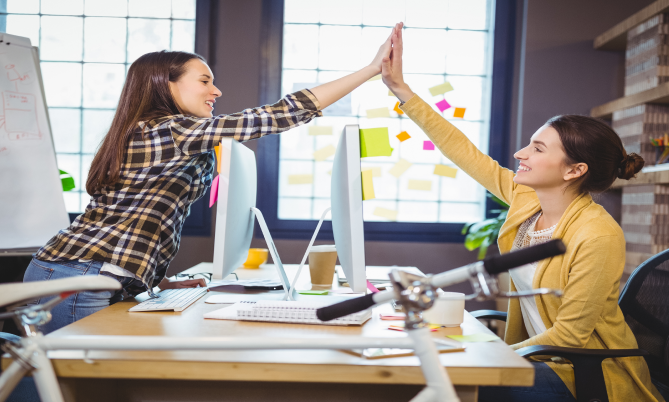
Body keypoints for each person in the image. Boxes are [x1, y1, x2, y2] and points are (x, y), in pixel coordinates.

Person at [23, 24, 405, 335]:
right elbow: (271, 117)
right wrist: (371, 70)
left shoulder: (173, 136)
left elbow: (140, 225)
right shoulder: (168, 130)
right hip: (79, 273)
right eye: (204, 81)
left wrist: (158, 282)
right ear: (165, 84)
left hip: (95, 272)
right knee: (72, 398)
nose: (216, 91)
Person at [379, 26, 669, 402]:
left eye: (537, 148)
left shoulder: (597, 235)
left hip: (586, 379)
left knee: (450, 387)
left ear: (575, 170)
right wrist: (401, 90)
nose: (520, 153)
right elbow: (463, 151)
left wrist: (493, 355)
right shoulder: (527, 201)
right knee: (438, 378)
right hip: (542, 362)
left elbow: (570, 338)